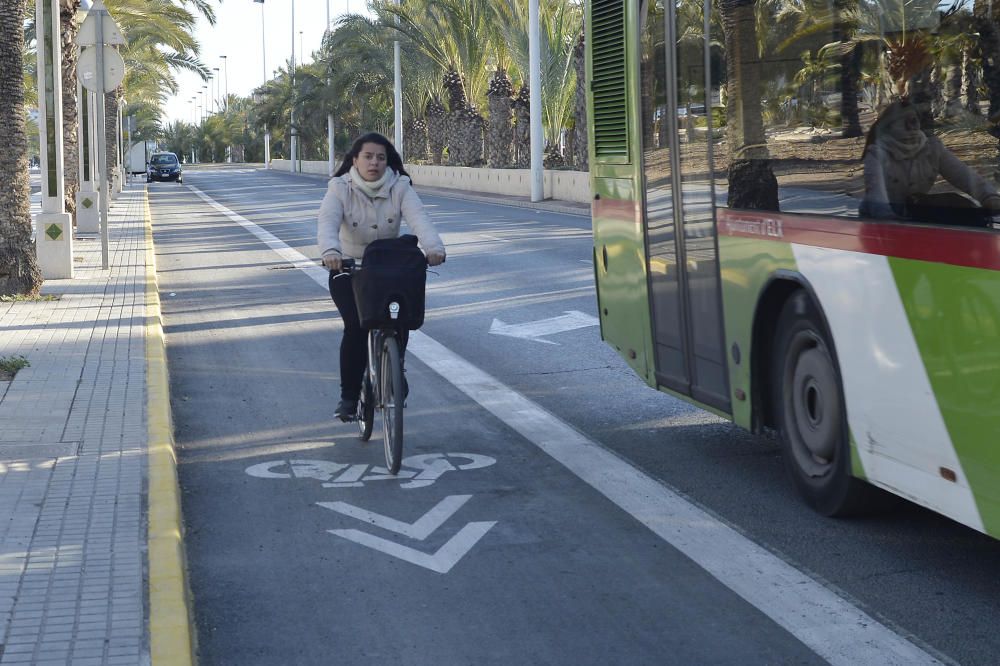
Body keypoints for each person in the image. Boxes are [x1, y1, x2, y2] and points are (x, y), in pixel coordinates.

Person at [317, 132, 446, 420]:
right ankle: (349, 397)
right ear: (355, 160)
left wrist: (434, 248)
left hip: (386, 268)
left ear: (387, 162)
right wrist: (330, 252)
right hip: (348, 268)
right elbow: (327, 222)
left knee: (400, 319)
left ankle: (394, 367)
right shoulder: (339, 188)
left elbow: (420, 219)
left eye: (380, 157)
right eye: (368, 156)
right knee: (356, 327)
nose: (374, 162)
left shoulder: (400, 186)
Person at [859, 98, 1000, 226]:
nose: (911, 127)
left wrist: (989, 197)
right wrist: (889, 220)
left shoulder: (931, 148)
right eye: (903, 122)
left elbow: (964, 175)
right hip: (877, 225)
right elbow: (876, 195)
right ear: (889, 126)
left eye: (914, 121)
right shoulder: (877, 153)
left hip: (914, 219)